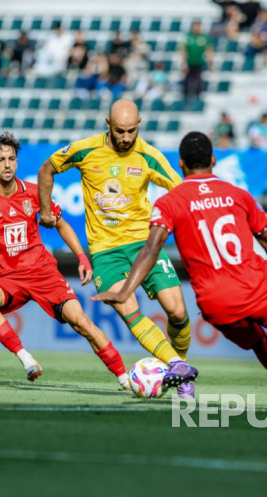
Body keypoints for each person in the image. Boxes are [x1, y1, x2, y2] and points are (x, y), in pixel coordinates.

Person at [93, 132, 267, 409]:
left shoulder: (169, 202)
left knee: (261, 346)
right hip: (260, 288)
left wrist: (125, 291)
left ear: (181, 164)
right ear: (213, 160)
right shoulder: (240, 195)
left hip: (217, 303)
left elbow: (151, 249)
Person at [38, 99, 198, 397]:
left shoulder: (149, 156)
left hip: (144, 245)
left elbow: (182, 190)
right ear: (108, 124)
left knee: (177, 311)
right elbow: (47, 168)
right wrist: (45, 211)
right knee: (129, 309)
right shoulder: (84, 150)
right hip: (105, 252)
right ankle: (177, 365)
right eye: (120, 131)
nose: (126, 138)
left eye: (132, 131)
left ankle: (182, 368)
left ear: (140, 125)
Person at [0, 133, 129, 389]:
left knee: (81, 322)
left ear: (17, 162)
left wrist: (82, 257)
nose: (7, 165)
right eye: (1, 159)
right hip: (6, 278)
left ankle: (125, 379)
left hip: (42, 272)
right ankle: (26, 359)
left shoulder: (35, 193)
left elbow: (62, 224)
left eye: (11, 159)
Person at [181, 21, 213, 105]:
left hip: (199, 63)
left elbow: (209, 50)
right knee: (186, 82)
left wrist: (211, 64)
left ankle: (198, 100)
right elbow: (183, 50)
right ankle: (185, 100)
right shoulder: (188, 37)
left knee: (198, 81)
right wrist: (183, 63)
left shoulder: (204, 37)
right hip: (189, 63)